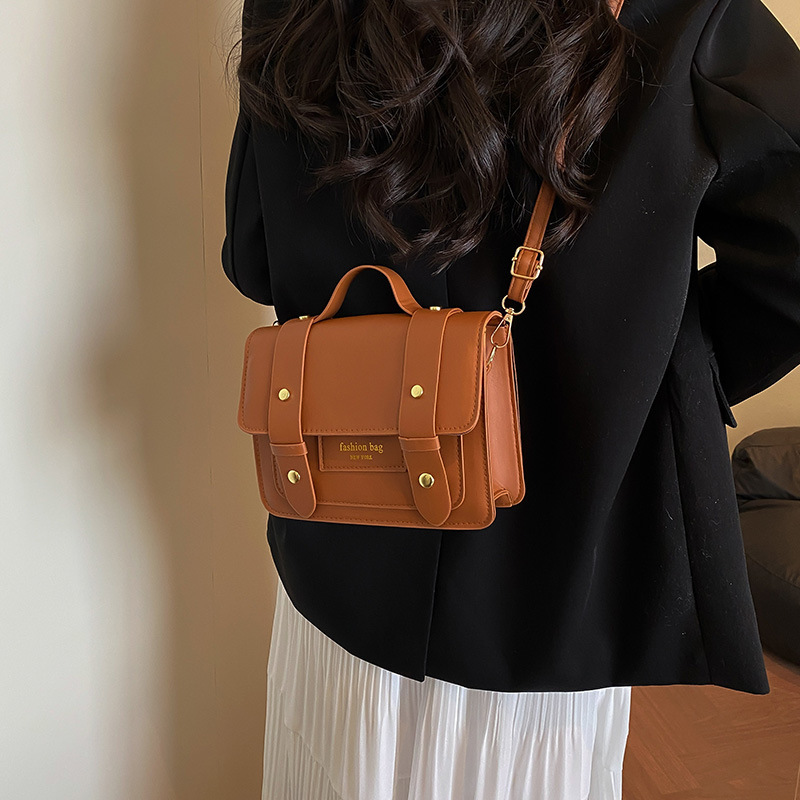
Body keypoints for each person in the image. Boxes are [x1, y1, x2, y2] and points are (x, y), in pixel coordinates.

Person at [221, 0, 800, 797]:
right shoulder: (674, 14)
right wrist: (643, 376)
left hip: (342, 569)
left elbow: (254, 256)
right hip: (547, 603)